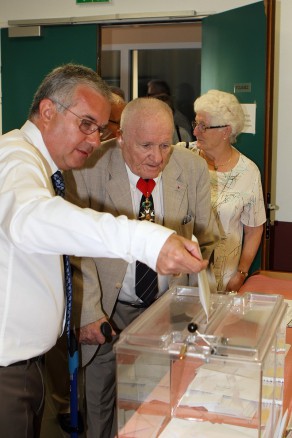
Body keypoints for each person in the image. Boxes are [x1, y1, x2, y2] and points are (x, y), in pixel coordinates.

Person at [0, 63, 209, 438]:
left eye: (99, 128)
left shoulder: (42, 165)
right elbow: (33, 219)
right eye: (85, 124)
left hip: (27, 365)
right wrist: (148, 240)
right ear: (48, 111)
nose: (95, 140)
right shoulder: (14, 158)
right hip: (8, 370)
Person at [64, 96, 220, 437]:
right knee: (101, 401)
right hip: (108, 306)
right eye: (146, 145)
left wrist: (204, 303)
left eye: (165, 144)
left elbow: (206, 238)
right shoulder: (89, 167)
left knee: (159, 398)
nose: (157, 157)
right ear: (120, 138)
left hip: (169, 307)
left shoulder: (191, 168)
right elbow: (75, 249)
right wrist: (88, 311)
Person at [44, 90, 127, 434]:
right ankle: (66, 404)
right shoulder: (50, 166)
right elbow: (74, 241)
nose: (105, 137)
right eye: (89, 125)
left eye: (106, 127)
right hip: (60, 300)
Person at [191, 89, 266, 292]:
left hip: (225, 281)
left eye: (203, 126)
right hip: (181, 277)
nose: (195, 131)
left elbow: (254, 229)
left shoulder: (248, 172)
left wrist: (241, 273)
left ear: (226, 131)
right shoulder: (182, 158)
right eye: (196, 124)